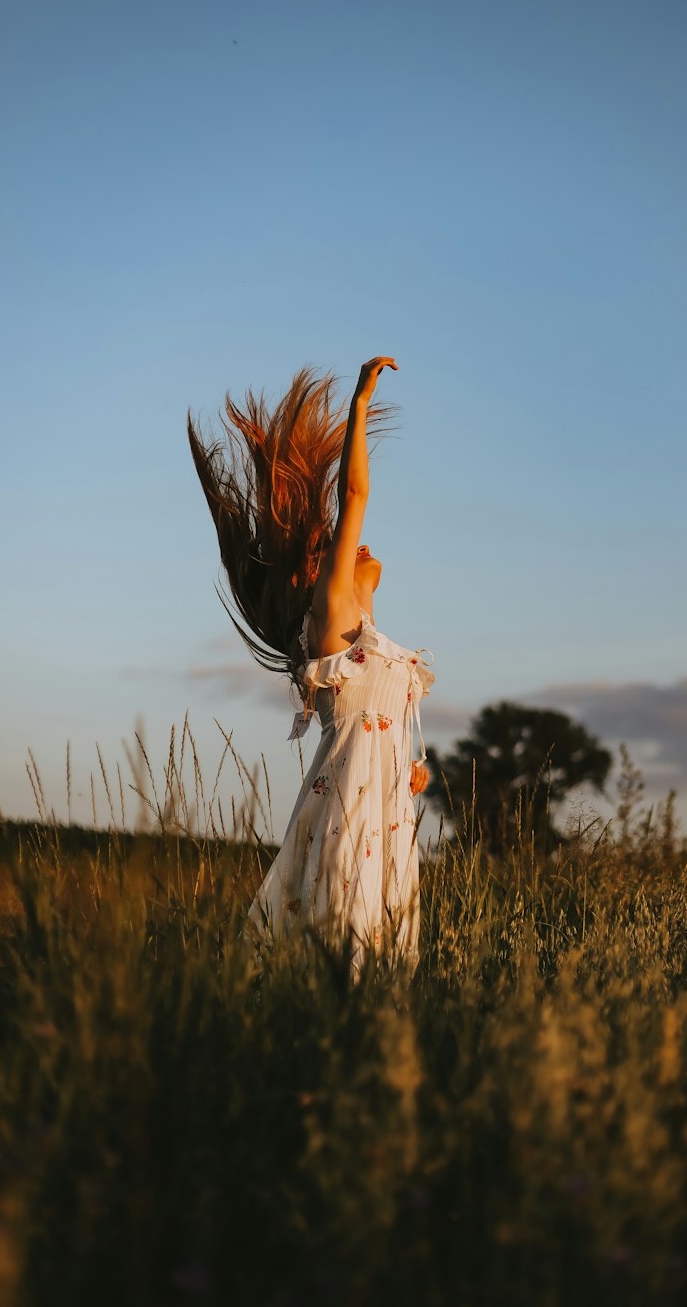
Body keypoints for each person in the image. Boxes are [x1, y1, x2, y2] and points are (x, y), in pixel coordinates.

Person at [187, 355, 435, 978]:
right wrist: (357, 404)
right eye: (348, 543)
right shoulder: (329, 613)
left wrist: (409, 767)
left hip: (384, 810)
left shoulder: (363, 631)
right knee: (339, 941)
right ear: (322, 567)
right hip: (346, 808)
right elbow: (355, 492)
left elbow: (379, 716)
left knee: (379, 947)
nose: (364, 543)